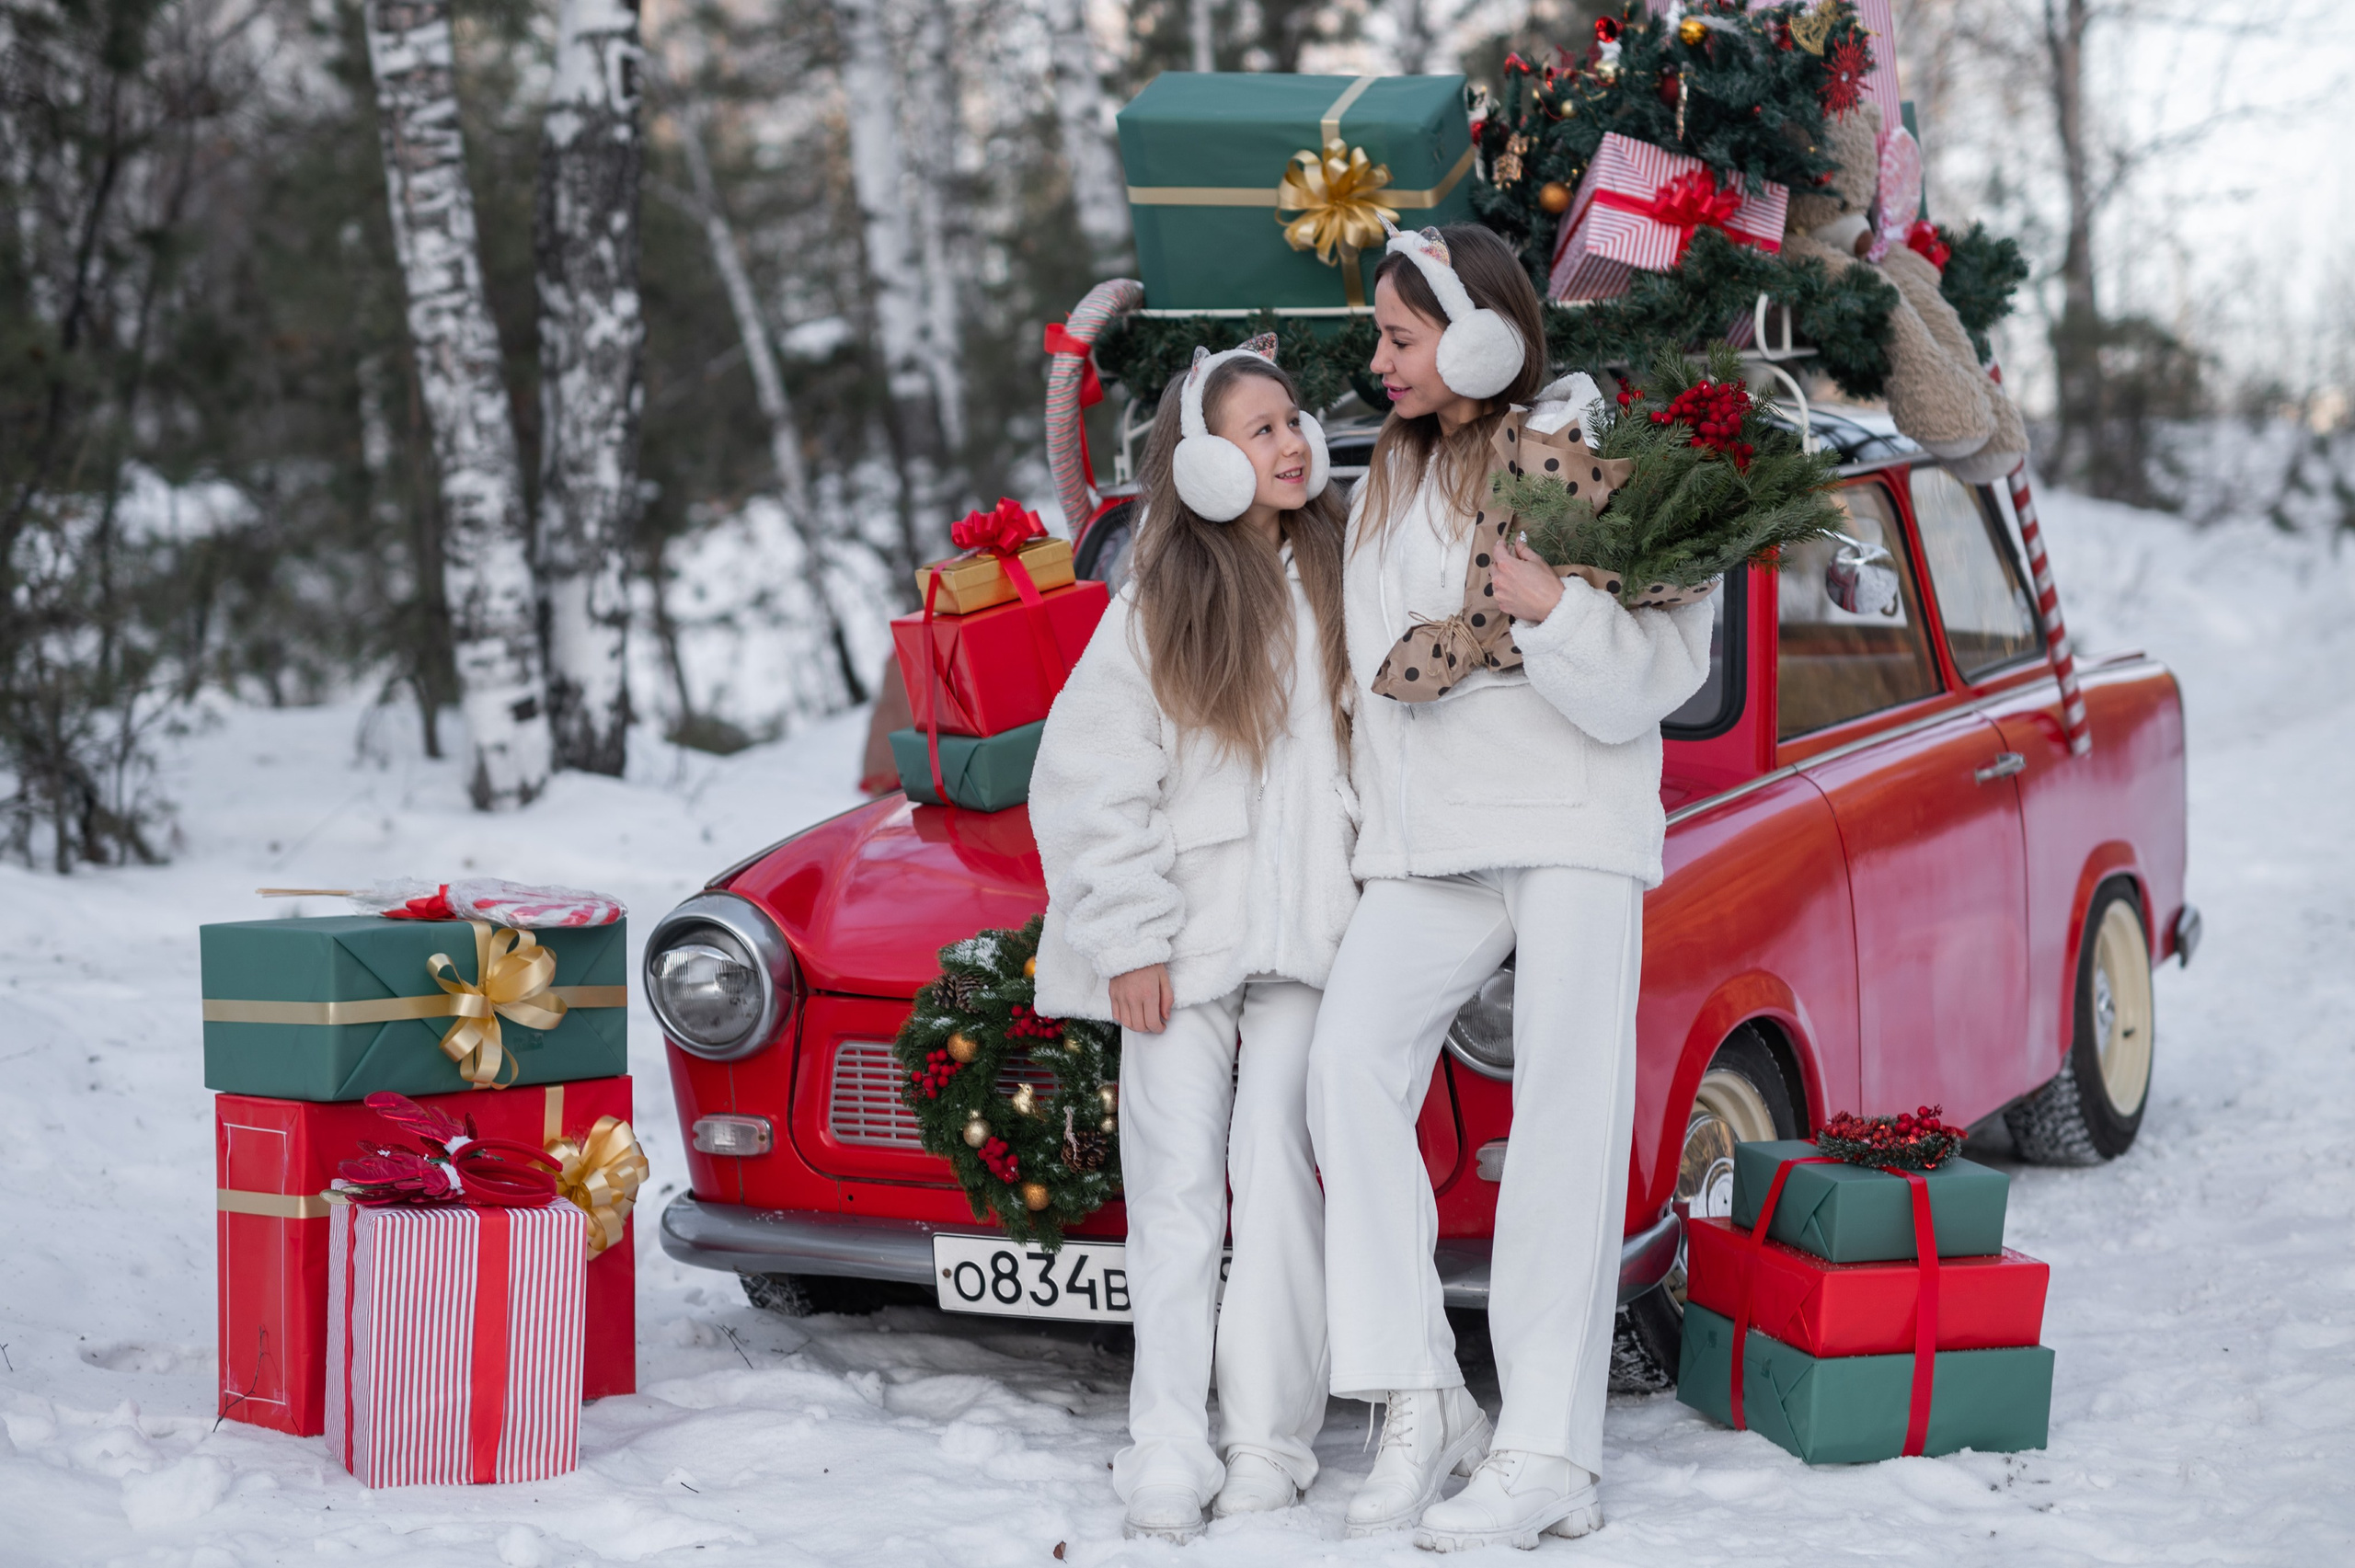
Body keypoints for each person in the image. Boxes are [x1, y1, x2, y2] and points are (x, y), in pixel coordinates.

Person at [1304, 224, 1717, 1551]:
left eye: (1402, 338)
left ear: (1482, 337)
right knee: (1346, 1068)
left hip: (1571, 825)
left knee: (1564, 1132)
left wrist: (1554, 614)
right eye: (1380, 337)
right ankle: (1422, 1391)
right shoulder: (1391, 478)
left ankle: (1549, 1453)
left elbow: (1663, 674)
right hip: (1431, 842)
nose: (1378, 363)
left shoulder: (1586, 450)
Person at [1030, 337, 1360, 1543]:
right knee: (1174, 1195)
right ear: (1206, 460)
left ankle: (1269, 1434)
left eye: (1292, 422)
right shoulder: (1157, 607)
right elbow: (1090, 782)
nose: (1289, 445)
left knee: (1278, 1176)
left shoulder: (1345, 579)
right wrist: (1128, 938)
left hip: (1314, 946)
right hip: (1178, 945)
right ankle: (1165, 1440)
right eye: (1258, 429)